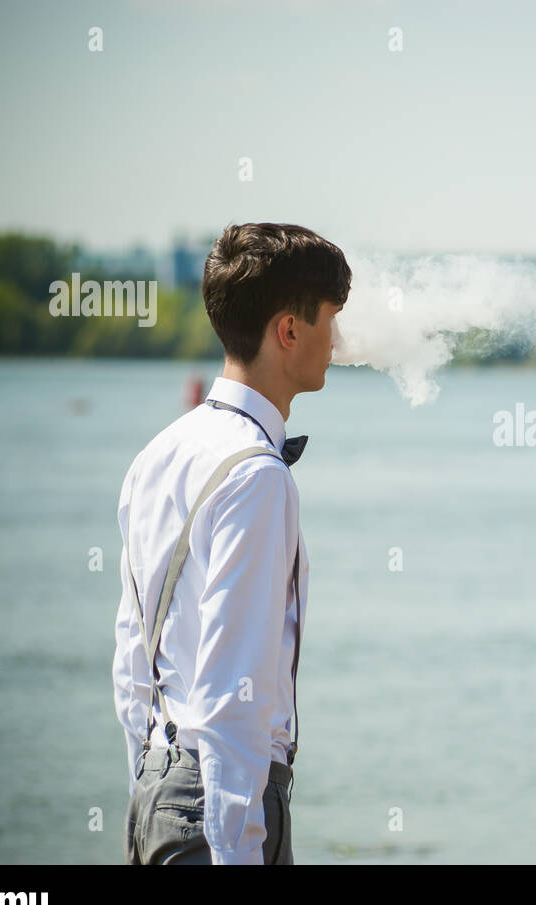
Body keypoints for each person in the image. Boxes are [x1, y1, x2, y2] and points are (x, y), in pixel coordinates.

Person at [114, 222, 350, 864]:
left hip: (161, 794)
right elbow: (231, 696)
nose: (339, 339)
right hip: (222, 818)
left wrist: (152, 785)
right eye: (332, 318)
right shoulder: (258, 476)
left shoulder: (156, 454)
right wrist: (237, 851)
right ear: (289, 331)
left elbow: (134, 661)